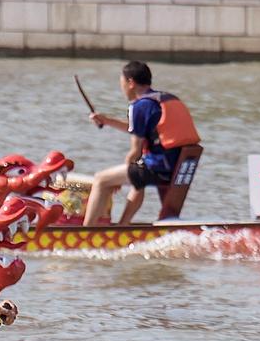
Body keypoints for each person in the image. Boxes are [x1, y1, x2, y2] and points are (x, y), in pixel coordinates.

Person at [82, 61, 200, 226]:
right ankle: (123, 228)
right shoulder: (161, 99)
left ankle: (87, 232)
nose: (122, 88)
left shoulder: (139, 106)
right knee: (137, 182)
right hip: (176, 165)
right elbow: (138, 128)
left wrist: (124, 175)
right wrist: (107, 121)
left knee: (101, 179)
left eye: (122, 83)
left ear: (130, 83)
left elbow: (135, 151)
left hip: (159, 167)